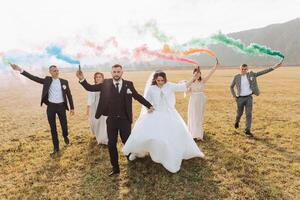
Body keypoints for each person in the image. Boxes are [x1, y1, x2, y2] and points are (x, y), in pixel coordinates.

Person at [76, 64, 154, 176]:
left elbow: (137, 96)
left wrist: (149, 105)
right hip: (111, 120)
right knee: (111, 144)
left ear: (122, 72)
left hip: (125, 120)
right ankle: (115, 168)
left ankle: (129, 157)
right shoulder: (105, 83)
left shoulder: (129, 84)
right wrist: (81, 79)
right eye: (114, 72)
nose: (116, 74)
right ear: (111, 73)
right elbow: (90, 88)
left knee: (126, 140)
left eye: (118, 72)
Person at [122, 70, 204, 173]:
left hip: (169, 113)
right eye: (158, 80)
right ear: (155, 80)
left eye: (162, 80)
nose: (160, 82)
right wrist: (148, 108)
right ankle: (137, 151)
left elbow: (183, 86)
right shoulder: (151, 89)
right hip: (155, 113)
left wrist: (194, 78)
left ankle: (169, 154)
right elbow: (146, 101)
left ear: (165, 79)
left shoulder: (169, 85)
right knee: (145, 133)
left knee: (174, 134)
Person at [10, 64, 74, 156]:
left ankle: (65, 135)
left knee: (64, 125)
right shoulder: (47, 80)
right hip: (51, 107)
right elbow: (33, 78)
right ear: (50, 72)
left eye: (57, 70)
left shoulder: (64, 82)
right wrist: (20, 69)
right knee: (53, 128)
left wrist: (72, 108)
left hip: (61, 107)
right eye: (54, 71)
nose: (56, 72)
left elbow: (69, 95)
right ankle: (56, 148)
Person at [230, 62, 282, 136]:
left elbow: (263, 72)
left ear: (247, 69)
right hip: (240, 98)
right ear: (240, 69)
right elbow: (231, 87)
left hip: (249, 98)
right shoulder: (236, 77)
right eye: (242, 69)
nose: (244, 70)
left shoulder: (251, 75)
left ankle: (247, 130)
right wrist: (234, 96)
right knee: (239, 113)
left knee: (248, 114)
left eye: (245, 69)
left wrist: (274, 67)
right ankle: (237, 121)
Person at [188, 60, 219, 140]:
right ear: (193, 75)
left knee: (199, 116)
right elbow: (187, 90)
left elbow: (210, 73)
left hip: (201, 100)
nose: (197, 75)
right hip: (194, 100)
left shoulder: (203, 81)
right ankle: (193, 133)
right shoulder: (191, 82)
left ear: (200, 74)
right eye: (195, 74)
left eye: (198, 74)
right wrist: (188, 90)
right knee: (194, 116)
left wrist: (215, 66)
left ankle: (198, 134)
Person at [87, 72, 108, 145]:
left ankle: (102, 138)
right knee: (94, 122)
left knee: (102, 122)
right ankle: (96, 134)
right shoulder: (92, 87)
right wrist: (88, 108)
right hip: (94, 107)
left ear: (102, 78)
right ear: (95, 79)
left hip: (102, 107)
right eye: (97, 77)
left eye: (100, 77)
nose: (98, 78)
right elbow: (89, 98)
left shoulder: (105, 87)